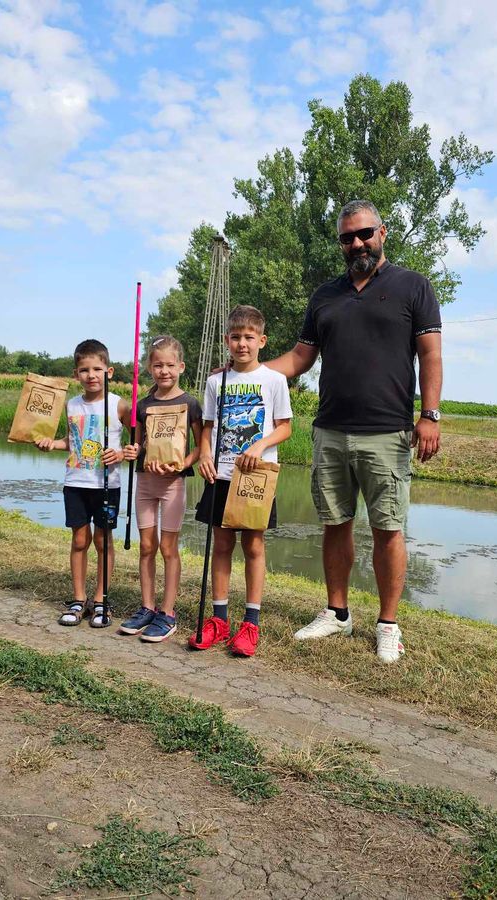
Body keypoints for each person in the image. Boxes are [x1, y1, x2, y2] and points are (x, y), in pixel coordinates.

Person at [265, 199, 443, 663]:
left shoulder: (413, 287)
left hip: (387, 432)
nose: (357, 243)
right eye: (348, 237)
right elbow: (300, 359)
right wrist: (247, 373)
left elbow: (431, 356)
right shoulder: (325, 296)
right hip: (330, 430)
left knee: (388, 528)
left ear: (382, 232)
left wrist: (431, 414)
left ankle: (387, 624)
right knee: (335, 523)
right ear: (340, 242)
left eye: (364, 234)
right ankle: (337, 613)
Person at [189, 305, 292, 658]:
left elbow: (285, 427)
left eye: (249, 337)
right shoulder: (215, 382)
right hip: (221, 475)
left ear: (262, 341)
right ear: (226, 341)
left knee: (253, 548)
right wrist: (203, 453)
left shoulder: (274, 380)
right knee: (221, 545)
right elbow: (207, 427)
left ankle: (251, 623)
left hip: (256, 479)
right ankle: (218, 620)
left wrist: (260, 445)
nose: (242, 344)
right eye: (235, 337)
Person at [36, 339, 137, 628]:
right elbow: (71, 441)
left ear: (109, 371)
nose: (91, 375)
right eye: (84, 370)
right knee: (79, 540)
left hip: (108, 485)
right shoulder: (71, 405)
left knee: (103, 541)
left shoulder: (120, 405)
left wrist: (122, 453)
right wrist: (50, 444)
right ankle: (78, 599)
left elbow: (135, 444)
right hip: (75, 483)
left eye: (97, 369)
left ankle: (101, 599)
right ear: (75, 374)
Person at [117, 336, 203, 643]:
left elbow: (200, 448)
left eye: (169, 365)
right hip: (145, 483)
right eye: (157, 365)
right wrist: (132, 451)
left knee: (168, 548)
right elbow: (138, 445)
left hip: (173, 486)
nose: (163, 371)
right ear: (149, 368)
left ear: (180, 366)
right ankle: (147, 607)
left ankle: (168, 613)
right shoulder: (143, 405)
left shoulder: (190, 404)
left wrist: (181, 465)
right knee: (146, 547)